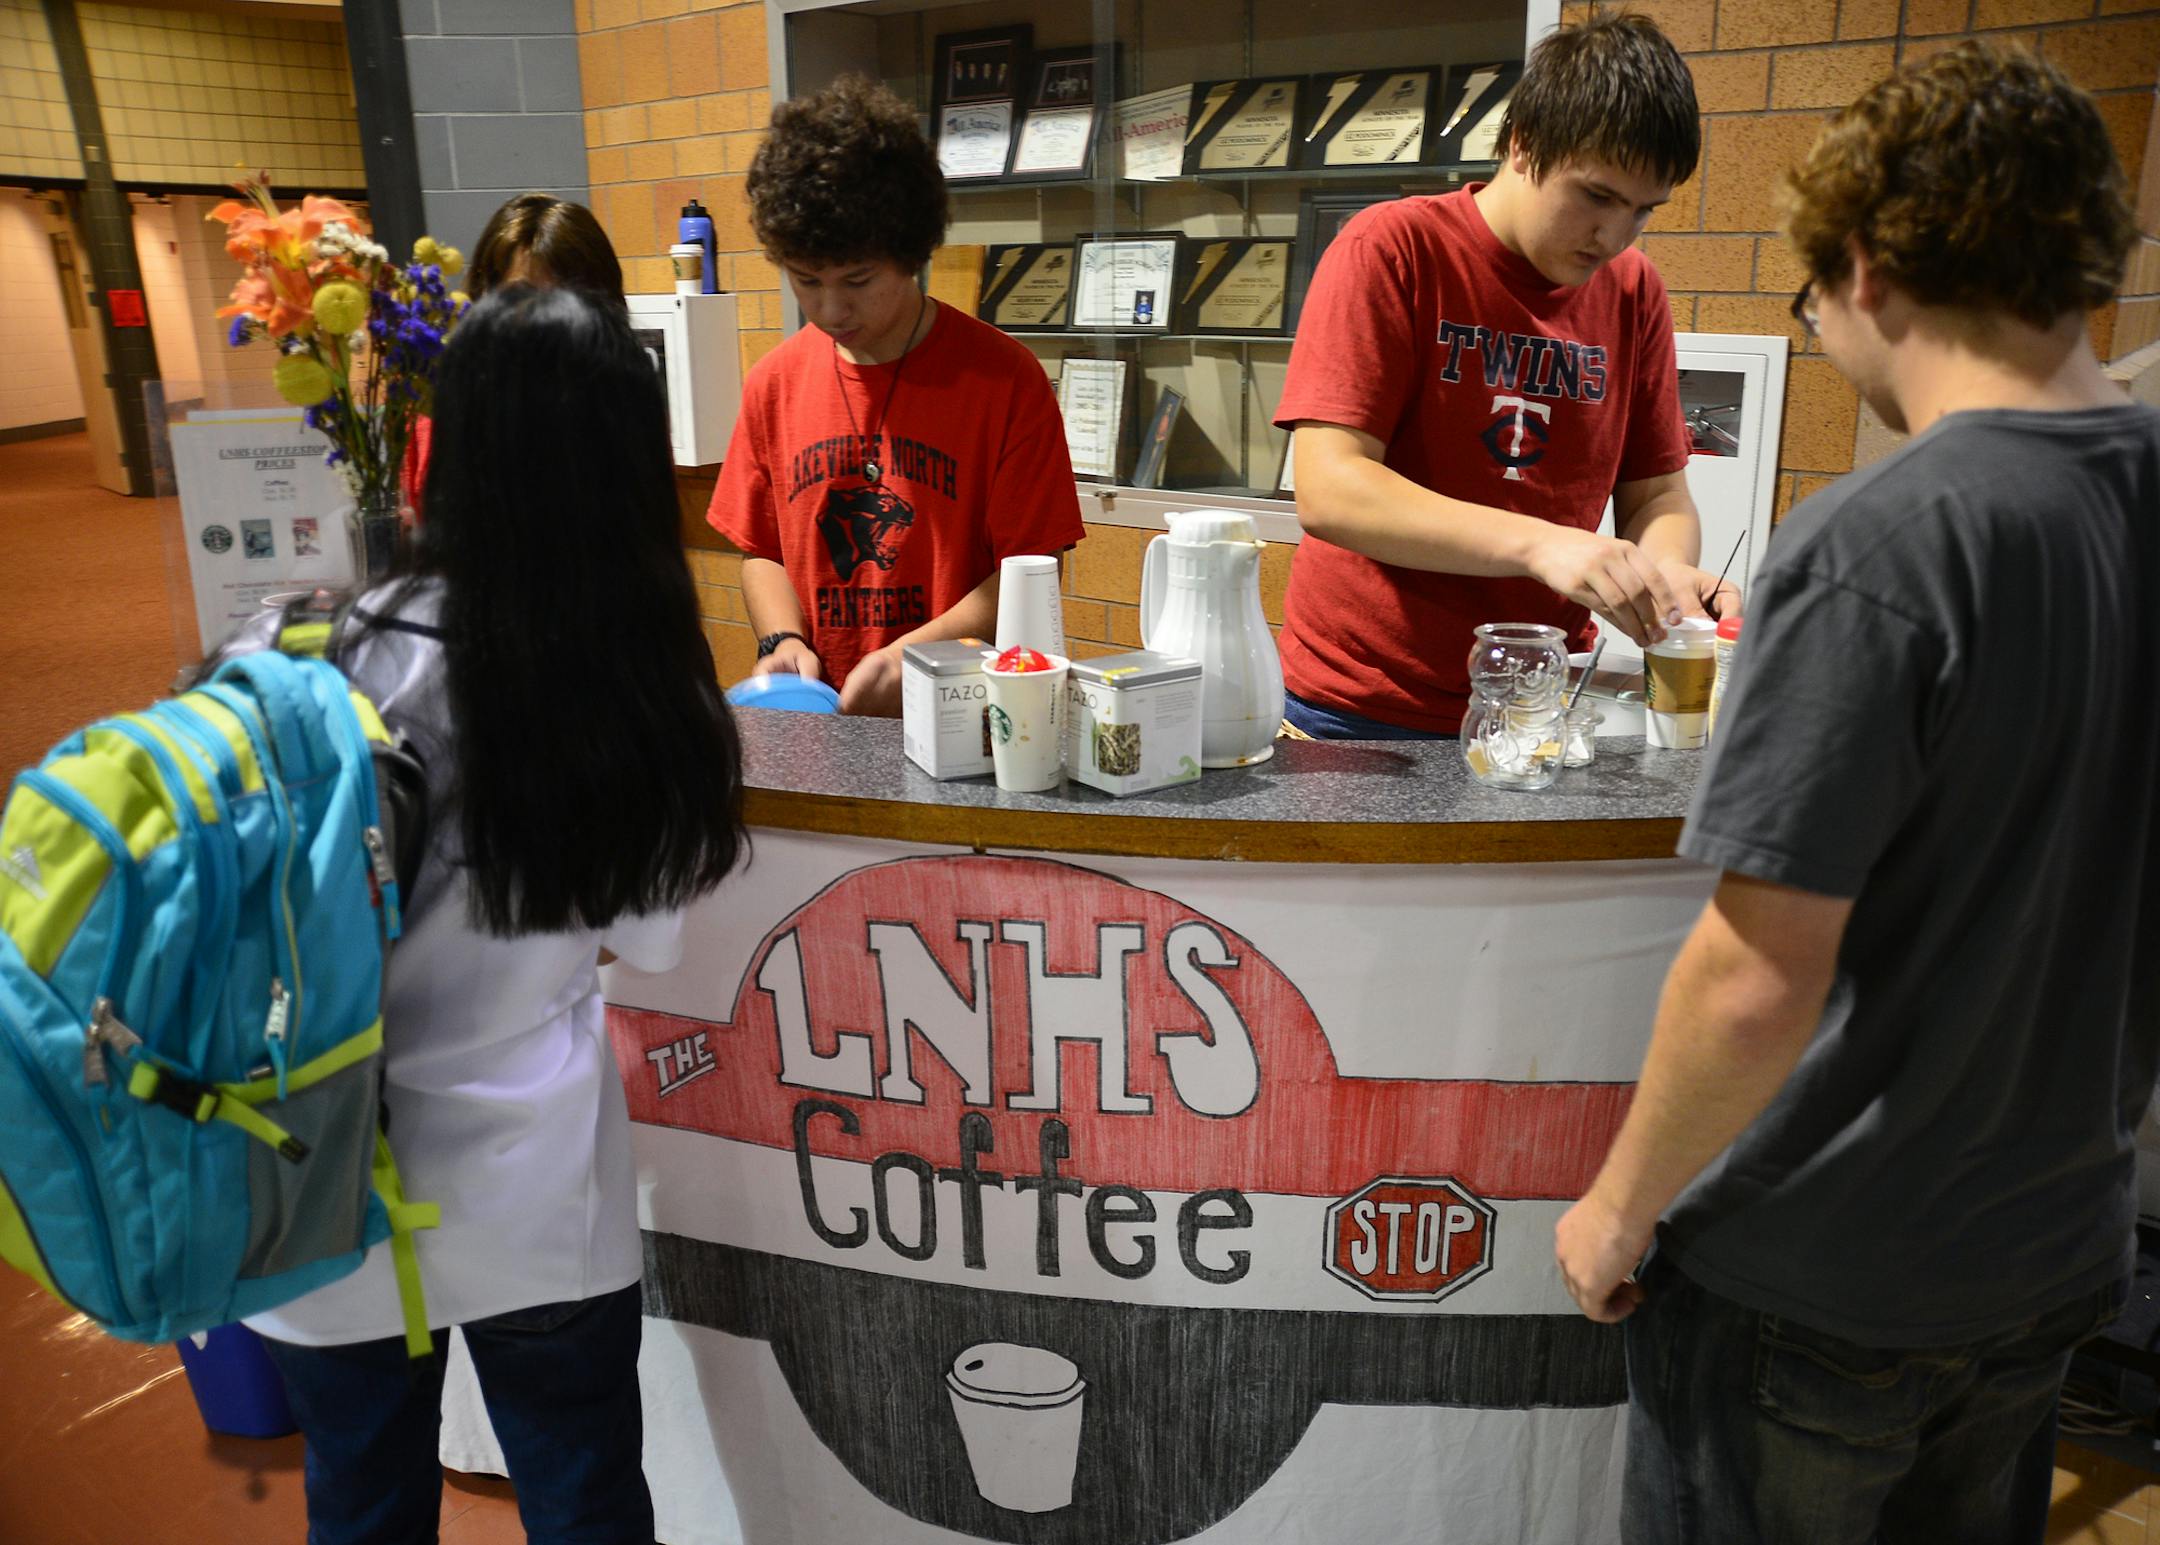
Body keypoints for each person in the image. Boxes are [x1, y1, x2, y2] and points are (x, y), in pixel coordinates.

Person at [1553, 42, 2157, 1545]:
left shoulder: (1882, 542)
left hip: (1825, 1275)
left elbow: (1759, 971)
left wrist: (1620, 1205)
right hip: (2054, 1246)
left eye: (1813, 297)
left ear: (1871, 265)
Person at [248, 284, 748, 1545]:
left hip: (315, 1183)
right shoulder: (635, 689)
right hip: (535, 1190)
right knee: (581, 1491)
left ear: (445, 447)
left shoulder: (307, 644)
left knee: (359, 1502)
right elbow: (647, 945)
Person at [1274, 13, 1735, 739]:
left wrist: (1665, 572)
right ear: (1523, 145)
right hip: (1363, 706)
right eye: (1597, 197)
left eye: (1644, 210)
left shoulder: (1634, 289)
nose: (1614, 237)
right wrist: (1541, 542)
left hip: (1534, 699)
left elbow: (1658, 493)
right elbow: (1331, 490)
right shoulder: (1393, 249)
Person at [707, 75, 1085, 716]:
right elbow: (760, 551)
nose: (830, 308)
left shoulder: (1005, 380)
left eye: (857, 279)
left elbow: (1031, 577)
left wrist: (915, 658)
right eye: (806, 280)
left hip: (969, 714)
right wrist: (781, 637)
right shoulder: (773, 382)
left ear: (912, 254)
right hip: (819, 717)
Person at [401, 193, 627, 518]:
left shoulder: (622, 415)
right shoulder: (437, 420)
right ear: (485, 298)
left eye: (566, 299)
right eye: (523, 297)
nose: (546, 319)